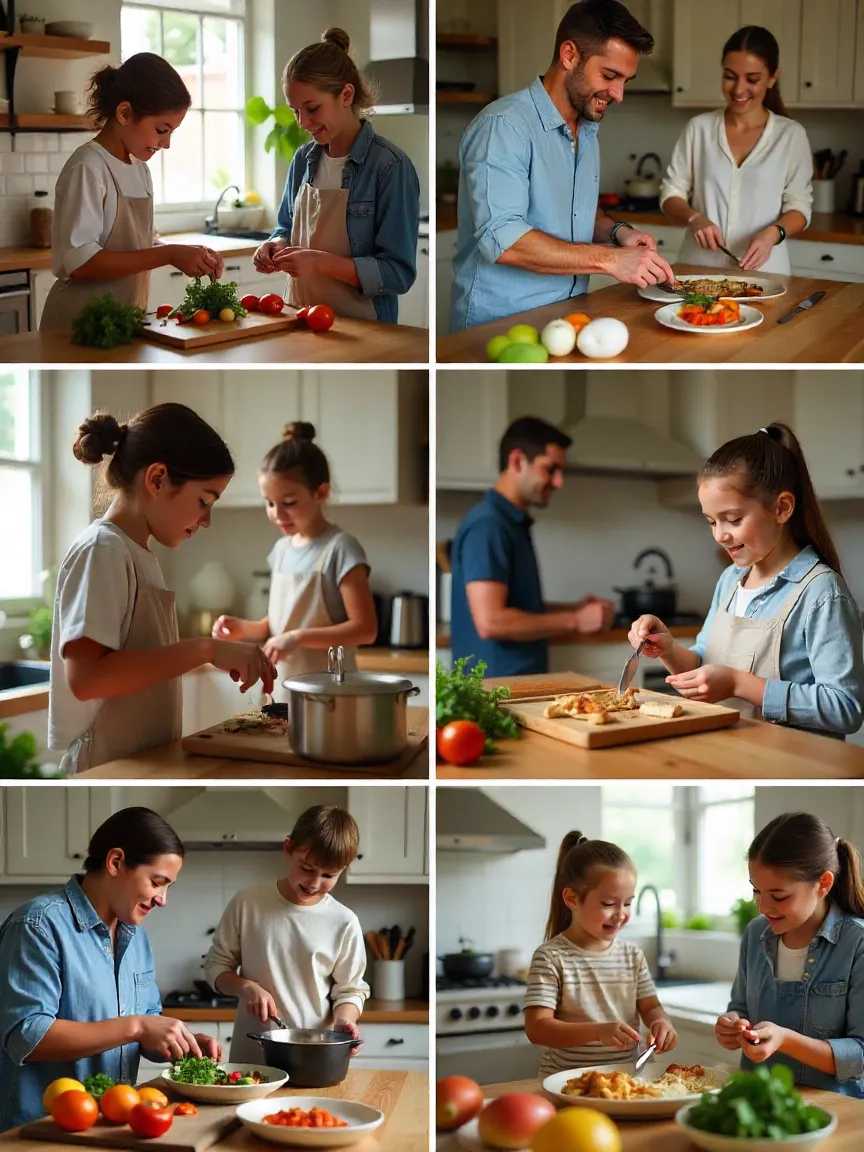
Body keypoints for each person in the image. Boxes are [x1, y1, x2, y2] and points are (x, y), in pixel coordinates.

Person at [48, 405, 277, 775]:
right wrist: (206, 648)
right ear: (156, 479)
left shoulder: (138, 556)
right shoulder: (102, 550)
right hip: (105, 767)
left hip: (139, 764)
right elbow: (87, 678)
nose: (206, 520)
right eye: (204, 501)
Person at [449, 0, 675, 332]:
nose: (619, 93)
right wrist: (611, 259)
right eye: (610, 75)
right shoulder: (504, 126)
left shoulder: (587, 131)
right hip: (497, 329)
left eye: (626, 80)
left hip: (565, 321)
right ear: (569, 55)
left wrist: (618, 233)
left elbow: (575, 212)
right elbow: (505, 241)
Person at [627, 424, 864, 738]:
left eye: (733, 519)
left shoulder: (821, 592)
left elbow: (845, 708)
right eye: (711, 521)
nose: (720, 535)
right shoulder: (729, 581)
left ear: (782, 508)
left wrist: (740, 683)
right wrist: (667, 648)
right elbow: (703, 664)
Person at [0, 808, 220, 1131]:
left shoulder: (138, 941)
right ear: (116, 862)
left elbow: (146, 1028)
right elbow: (27, 1036)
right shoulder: (37, 926)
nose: (163, 899)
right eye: (157, 882)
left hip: (112, 1129)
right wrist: (137, 1026)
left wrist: (178, 1043)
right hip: (40, 1134)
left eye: (169, 887)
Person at [42, 53, 224, 330]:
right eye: (162, 130)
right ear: (124, 113)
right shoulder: (88, 168)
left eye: (172, 132)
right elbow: (81, 263)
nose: (167, 143)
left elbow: (141, 246)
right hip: (77, 326)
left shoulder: (139, 169)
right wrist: (169, 254)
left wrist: (191, 254)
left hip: (122, 321)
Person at [253, 28, 419, 323]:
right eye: (295, 112)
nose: (303, 122)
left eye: (312, 108)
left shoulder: (390, 167)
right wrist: (275, 245)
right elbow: (285, 227)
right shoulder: (303, 160)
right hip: (299, 319)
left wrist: (319, 263)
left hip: (364, 328)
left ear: (346, 94)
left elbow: (398, 274)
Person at [211, 422, 377, 703]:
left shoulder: (341, 548)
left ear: (320, 493)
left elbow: (365, 629)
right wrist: (245, 629)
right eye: (269, 503)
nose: (277, 514)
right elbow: (279, 623)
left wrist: (297, 638)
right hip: (283, 692)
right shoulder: (281, 550)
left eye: (288, 502)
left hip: (331, 696)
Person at [450, 417, 615, 677]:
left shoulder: (510, 522)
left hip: (514, 690)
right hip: (494, 696)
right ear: (517, 461)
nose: (559, 481)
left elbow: (516, 606)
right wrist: (576, 620)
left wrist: (572, 609)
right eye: (550, 469)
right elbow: (491, 621)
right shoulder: (489, 525)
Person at [203, 805, 369, 1063]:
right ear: (289, 848)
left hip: (315, 1055)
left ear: (344, 868)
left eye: (329, 875)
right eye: (307, 868)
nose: (314, 883)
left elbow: (350, 990)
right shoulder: (247, 903)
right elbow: (215, 966)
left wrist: (345, 1018)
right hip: (253, 1058)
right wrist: (246, 988)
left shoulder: (344, 922)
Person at [716, 812, 864, 1098]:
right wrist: (732, 1024)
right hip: (756, 1103)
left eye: (779, 896)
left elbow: (860, 1055)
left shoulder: (857, 943)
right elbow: (740, 1006)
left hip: (834, 1113)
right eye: (756, 890)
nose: (762, 906)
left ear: (823, 884)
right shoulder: (754, 934)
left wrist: (785, 1039)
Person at [660, 26, 812, 274]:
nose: (739, 90)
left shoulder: (791, 136)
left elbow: (800, 207)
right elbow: (670, 195)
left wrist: (773, 234)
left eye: (752, 79)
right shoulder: (699, 129)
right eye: (730, 76)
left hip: (765, 275)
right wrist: (694, 218)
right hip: (699, 270)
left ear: (772, 78)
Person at [524, 831, 677, 1077]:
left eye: (627, 903)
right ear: (572, 898)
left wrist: (661, 1022)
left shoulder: (633, 957)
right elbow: (538, 1029)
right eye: (608, 904)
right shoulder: (551, 958)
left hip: (626, 1082)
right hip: (566, 1084)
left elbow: (651, 1007)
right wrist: (598, 1031)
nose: (621, 914)